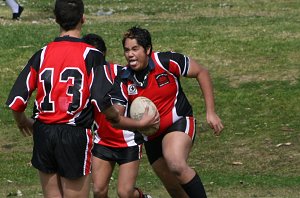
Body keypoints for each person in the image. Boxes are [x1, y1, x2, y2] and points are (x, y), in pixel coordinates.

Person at [5, 1, 157, 197]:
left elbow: (17, 98)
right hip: (74, 135)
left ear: (56, 19)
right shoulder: (92, 55)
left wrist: (22, 121)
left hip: (43, 133)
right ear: (83, 19)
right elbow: (103, 103)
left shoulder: (42, 53)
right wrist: (136, 123)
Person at [110, 26, 224, 198]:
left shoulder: (166, 61)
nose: (130, 54)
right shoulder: (123, 79)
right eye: (126, 50)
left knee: (176, 163)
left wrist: (211, 112)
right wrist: (138, 124)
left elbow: (201, 72)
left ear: (147, 49)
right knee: (174, 189)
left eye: (135, 49)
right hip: (151, 136)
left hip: (178, 122)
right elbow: (116, 118)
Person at [82, 33, 152, 198]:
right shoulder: (81, 78)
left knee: (125, 192)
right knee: (98, 190)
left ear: (103, 55)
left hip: (128, 141)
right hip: (102, 141)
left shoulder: (121, 73)